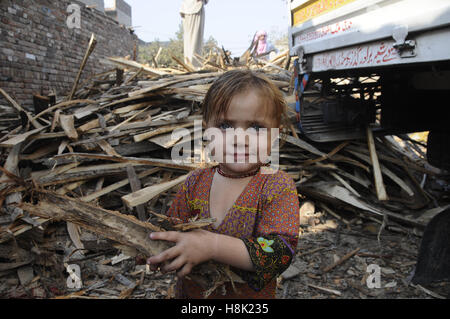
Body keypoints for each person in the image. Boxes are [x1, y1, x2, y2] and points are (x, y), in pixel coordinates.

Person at [147, 70, 300, 299]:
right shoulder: (195, 183)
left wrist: (213, 246)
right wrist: (152, 247)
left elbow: (279, 254)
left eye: (256, 128)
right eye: (225, 126)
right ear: (207, 130)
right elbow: (173, 231)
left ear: (274, 136)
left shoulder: (277, 187)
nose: (239, 139)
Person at [180, 0, 208, 69]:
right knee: (194, 40)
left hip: (189, 8)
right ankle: (193, 65)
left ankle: (190, 64)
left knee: (190, 39)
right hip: (194, 7)